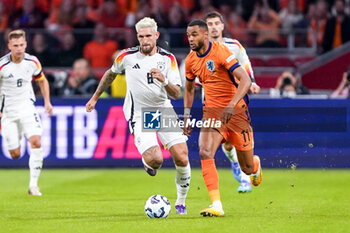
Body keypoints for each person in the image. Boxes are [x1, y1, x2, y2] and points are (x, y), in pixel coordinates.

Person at [86, 17, 191, 214]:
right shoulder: (126, 56)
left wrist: (164, 80)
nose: (145, 40)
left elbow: (176, 93)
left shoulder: (168, 59)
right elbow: (110, 74)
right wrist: (95, 98)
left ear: (156, 36)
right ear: (137, 37)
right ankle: (146, 161)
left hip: (163, 109)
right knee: (156, 160)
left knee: (182, 157)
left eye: (148, 36)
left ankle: (181, 202)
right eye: (141, 36)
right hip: (141, 114)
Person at [184, 20, 262, 217]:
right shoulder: (190, 60)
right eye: (188, 35)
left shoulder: (221, 52)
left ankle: (255, 165)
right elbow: (188, 88)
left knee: (247, 168)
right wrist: (186, 115)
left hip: (236, 112)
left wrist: (231, 105)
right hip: (212, 113)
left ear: (205, 35)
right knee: (205, 151)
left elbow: (244, 79)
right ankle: (216, 204)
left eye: (194, 35)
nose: (190, 39)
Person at [205, 11, 261, 194]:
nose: (213, 27)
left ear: (222, 26)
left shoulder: (234, 46)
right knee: (226, 144)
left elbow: (245, 65)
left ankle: (245, 178)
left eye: (216, 23)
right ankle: (239, 163)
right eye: (209, 24)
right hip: (213, 102)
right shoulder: (200, 50)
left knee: (238, 138)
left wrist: (251, 82)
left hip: (236, 99)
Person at [0, 29, 53, 196]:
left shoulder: (33, 62)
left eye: (21, 45)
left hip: (27, 108)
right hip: (7, 112)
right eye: (15, 45)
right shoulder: (2, 65)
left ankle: (33, 186)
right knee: (15, 154)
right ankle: (18, 134)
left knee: (36, 142)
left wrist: (47, 102)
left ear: (26, 44)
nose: (19, 49)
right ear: (9, 46)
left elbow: (42, 81)